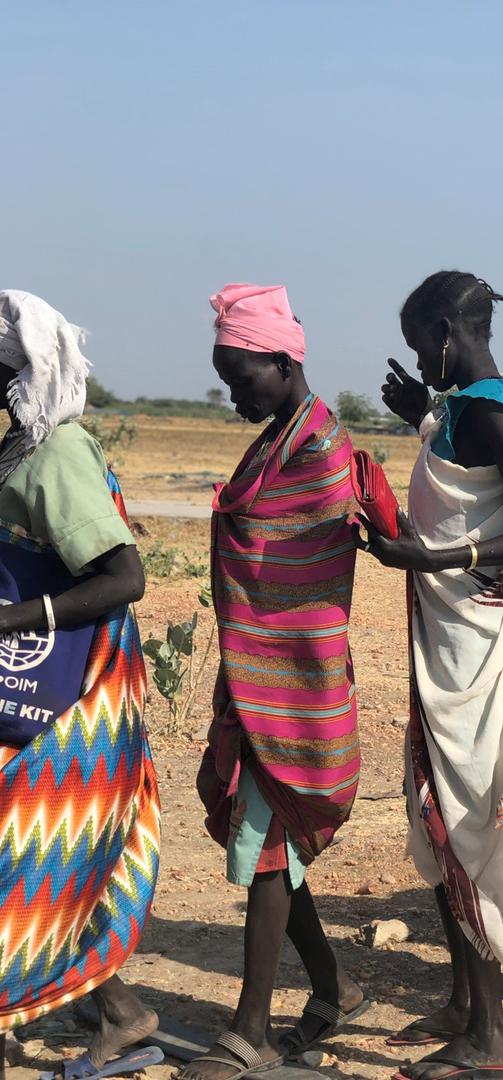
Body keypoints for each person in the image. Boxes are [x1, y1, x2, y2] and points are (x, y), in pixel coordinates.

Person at [362, 272, 503, 1080]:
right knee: (438, 805)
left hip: (477, 654)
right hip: (453, 639)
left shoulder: (489, 407)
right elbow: (476, 486)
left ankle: (489, 1039)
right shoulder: (467, 407)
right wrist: (420, 410)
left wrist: (435, 557)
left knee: (467, 819)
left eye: (423, 339)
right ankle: (460, 1002)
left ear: (449, 328)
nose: (421, 352)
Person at [187, 285, 367, 1080]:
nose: (235, 395)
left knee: (265, 849)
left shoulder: (320, 447)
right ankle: (335, 988)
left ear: (283, 358)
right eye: (226, 380)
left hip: (298, 679)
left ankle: (249, 1031)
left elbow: (304, 559)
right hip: (258, 673)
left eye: (240, 376)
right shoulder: (274, 441)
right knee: (271, 844)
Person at [0, 292, 161, 1075]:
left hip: (64, 701)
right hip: (33, 689)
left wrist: (12, 620)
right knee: (46, 869)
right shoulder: (21, 450)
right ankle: (123, 1014)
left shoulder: (54, 456)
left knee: (30, 862)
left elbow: (123, 577)